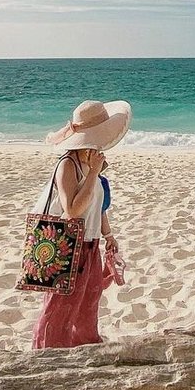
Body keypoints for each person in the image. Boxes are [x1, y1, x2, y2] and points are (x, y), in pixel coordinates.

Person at [30, 99, 131, 349]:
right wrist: (94, 173)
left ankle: (85, 348)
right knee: (59, 307)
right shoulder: (68, 164)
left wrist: (108, 235)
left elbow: (98, 206)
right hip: (68, 244)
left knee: (88, 303)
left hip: (90, 244)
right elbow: (73, 210)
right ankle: (48, 352)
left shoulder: (91, 162)